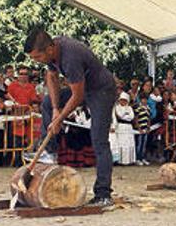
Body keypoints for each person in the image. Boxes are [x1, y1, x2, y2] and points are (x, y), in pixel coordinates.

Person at [25, 29, 118, 210]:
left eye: (37, 57)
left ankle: (103, 194)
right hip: (85, 89)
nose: (36, 61)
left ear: (49, 49)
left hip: (101, 91)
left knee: (99, 141)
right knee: (46, 102)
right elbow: (51, 77)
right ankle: (50, 153)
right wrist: (54, 108)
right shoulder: (53, 52)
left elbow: (77, 95)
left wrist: (59, 119)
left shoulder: (71, 57)